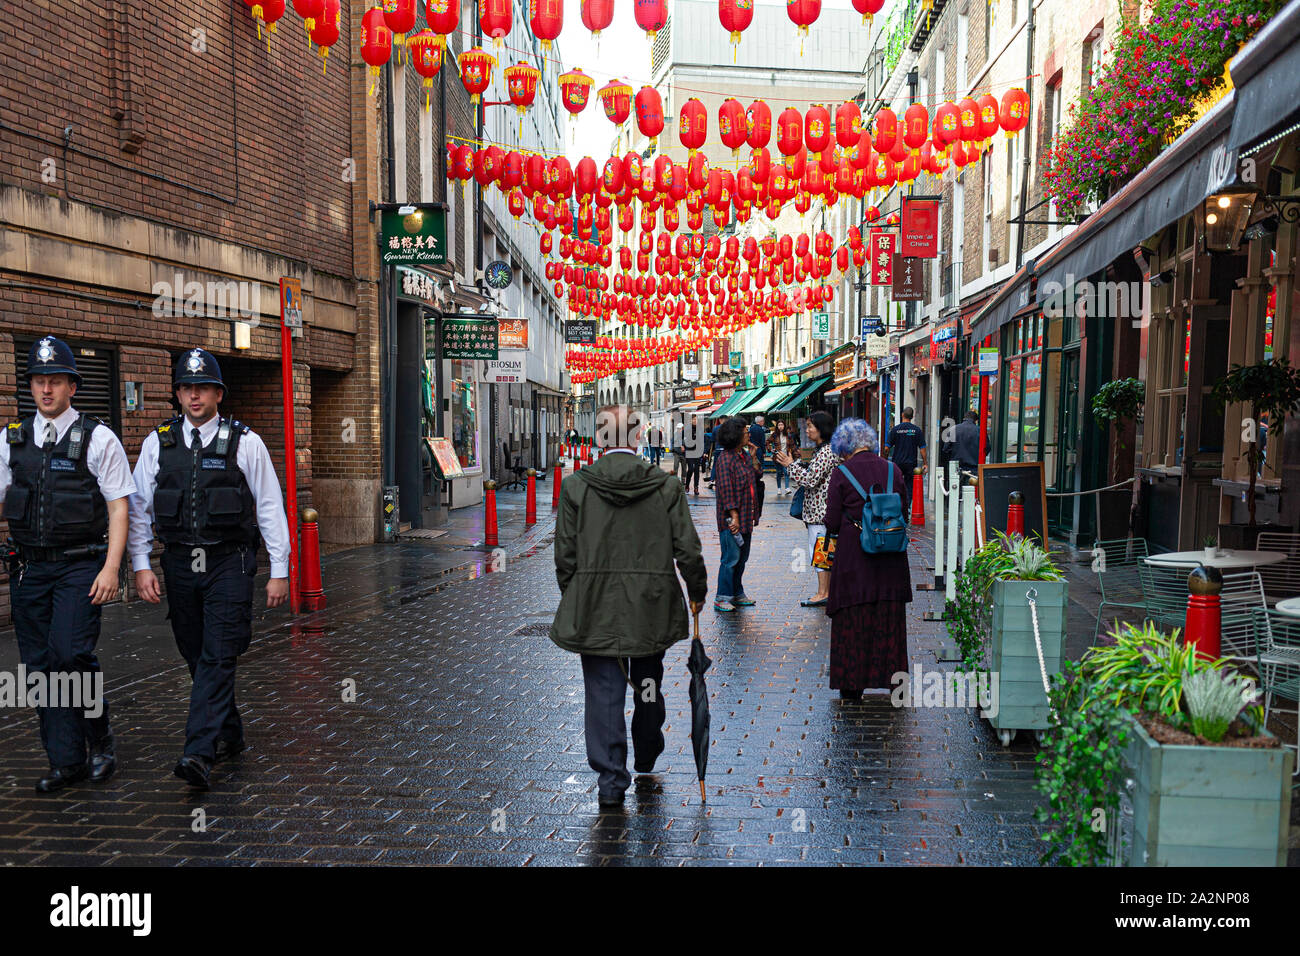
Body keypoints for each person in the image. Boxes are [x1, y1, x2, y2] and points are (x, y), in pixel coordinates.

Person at [129, 348, 291, 791]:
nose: (194, 395)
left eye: (202, 388)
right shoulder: (157, 444)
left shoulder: (245, 442)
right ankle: (230, 730)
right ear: (177, 395)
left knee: (218, 653)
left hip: (229, 562)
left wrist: (280, 569)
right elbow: (139, 508)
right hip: (180, 561)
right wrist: (141, 564)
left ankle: (198, 752)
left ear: (218, 393)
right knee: (194, 652)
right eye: (186, 388)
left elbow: (270, 507)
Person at [549, 405, 707, 809]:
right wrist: (697, 588)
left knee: (603, 691)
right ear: (638, 437)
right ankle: (648, 747)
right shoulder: (666, 486)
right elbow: (687, 548)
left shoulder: (576, 487)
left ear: (600, 438)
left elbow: (565, 554)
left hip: (595, 603)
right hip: (650, 603)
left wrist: (577, 590)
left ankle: (610, 779)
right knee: (648, 681)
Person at [1, 336, 135, 792]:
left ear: (72, 386)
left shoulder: (99, 438)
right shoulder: (12, 440)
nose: (45, 389)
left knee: (70, 654)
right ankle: (66, 761)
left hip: (81, 566)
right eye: (39, 381)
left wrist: (113, 568)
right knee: (40, 666)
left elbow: (119, 507)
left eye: (55, 381)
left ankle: (99, 739)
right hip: (28, 570)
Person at [823, 419, 912, 700]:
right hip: (891, 560)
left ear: (845, 448)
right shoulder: (893, 470)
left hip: (854, 560)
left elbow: (833, 522)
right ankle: (894, 683)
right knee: (889, 620)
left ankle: (852, 686)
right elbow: (904, 512)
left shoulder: (841, 473)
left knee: (853, 621)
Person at [775, 411, 837, 607]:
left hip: (821, 512)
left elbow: (810, 479)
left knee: (821, 553)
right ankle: (825, 591)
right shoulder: (825, 450)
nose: (807, 430)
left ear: (821, 429)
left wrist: (790, 465)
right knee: (822, 551)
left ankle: (822, 592)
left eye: (811, 426)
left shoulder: (827, 451)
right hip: (818, 511)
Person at [712, 417, 757, 613]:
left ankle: (737, 593)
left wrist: (754, 457)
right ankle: (722, 596)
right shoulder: (725, 459)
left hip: (747, 514)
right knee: (730, 557)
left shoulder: (744, 455)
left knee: (742, 557)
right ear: (735, 435)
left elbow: (757, 476)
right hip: (731, 518)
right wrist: (734, 515)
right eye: (745, 431)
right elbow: (725, 489)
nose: (748, 434)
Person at [886, 407, 927, 487]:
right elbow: (922, 449)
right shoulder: (917, 430)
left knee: (897, 484)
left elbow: (887, 448)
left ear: (902, 415)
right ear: (912, 417)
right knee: (909, 486)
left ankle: (899, 499)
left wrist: (885, 460)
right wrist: (925, 463)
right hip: (911, 463)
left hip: (897, 463)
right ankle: (908, 499)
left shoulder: (895, 430)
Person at [946, 409, 983, 478]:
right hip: (974, 467)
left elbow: (946, 448)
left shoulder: (953, 429)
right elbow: (986, 448)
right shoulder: (979, 430)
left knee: (955, 487)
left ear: (964, 419)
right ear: (975, 421)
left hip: (957, 467)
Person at [768, 419, 793, 497]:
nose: (780, 426)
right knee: (779, 473)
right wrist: (770, 449)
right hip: (778, 457)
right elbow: (767, 442)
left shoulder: (788, 435)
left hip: (785, 457)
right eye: (779, 425)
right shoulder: (774, 435)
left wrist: (792, 454)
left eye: (782, 425)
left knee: (786, 472)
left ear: (784, 426)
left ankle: (787, 488)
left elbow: (792, 445)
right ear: (777, 426)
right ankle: (779, 488)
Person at [682, 416, 706, 495]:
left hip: (698, 451)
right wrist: (682, 445)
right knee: (691, 469)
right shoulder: (687, 429)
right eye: (693, 419)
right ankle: (687, 485)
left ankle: (696, 487)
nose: (695, 421)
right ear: (691, 420)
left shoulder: (700, 429)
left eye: (696, 419)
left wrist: (704, 451)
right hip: (689, 451)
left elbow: (703, 441)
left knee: (696, 470)